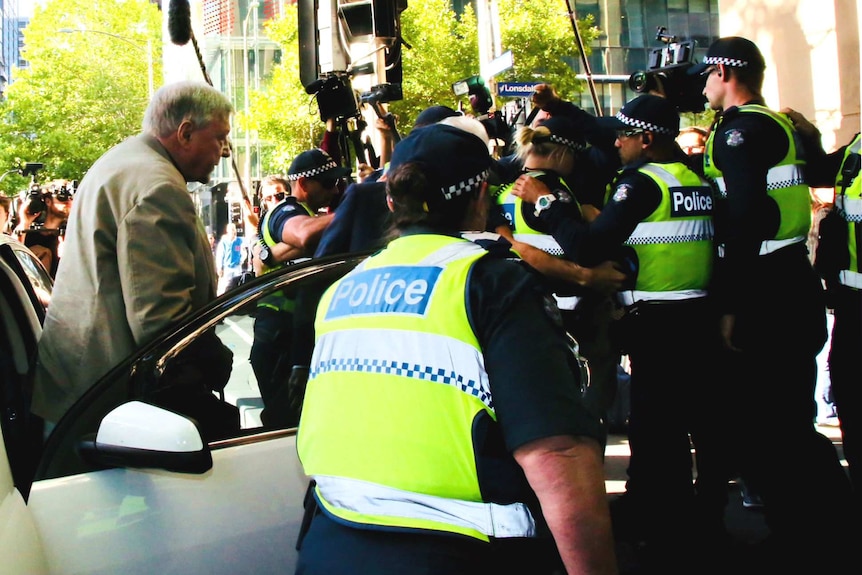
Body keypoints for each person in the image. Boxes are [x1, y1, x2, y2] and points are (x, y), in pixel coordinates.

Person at [295, 123, 617, 575]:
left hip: (331, 546)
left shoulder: (342, 290)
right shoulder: (493, 283)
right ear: (480, 194)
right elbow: (555, 453)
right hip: (459, 552)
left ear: (391, 200)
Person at [516, 95, 727, 569]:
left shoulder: (643, 183)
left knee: (657, 430)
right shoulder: (694, 177)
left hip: (659, 321)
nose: (616, 142)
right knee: (702, 424)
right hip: (698, 312)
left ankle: (663, 528)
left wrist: (545, 203)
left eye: (625, 135)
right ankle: (704, 520)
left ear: (647, 139)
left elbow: (588, 247)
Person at [689, 36, 857, 569]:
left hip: (766, 287)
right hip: (786, 281)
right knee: (781, 420)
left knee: (774, 424)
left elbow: (745, 221)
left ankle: (815, 534)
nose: (703, 86)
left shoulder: (742, 131)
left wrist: (731, 304)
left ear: (724, 72)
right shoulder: (774, 124)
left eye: (707, 76)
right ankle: (816, 529)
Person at [31, 81, 233, 426]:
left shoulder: (123, 162)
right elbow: (159, 321)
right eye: (219, 138)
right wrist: (209, 360)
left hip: (80, 387)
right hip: (111, 400)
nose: (225, 151)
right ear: (185, 133)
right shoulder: (159, 187)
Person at [785, 107, 861, 514]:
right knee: (850, 402)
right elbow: (818, 172)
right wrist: (808, 136)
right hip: (851, 303)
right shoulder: (856, 149)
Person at [249, 150, 347, 423]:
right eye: (327, 183)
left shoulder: (310, 214)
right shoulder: (286, 211)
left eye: (336, 183)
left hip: (291, 334)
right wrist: (353, 209)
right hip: (278, 334)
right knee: (285, 424)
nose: (334, 189)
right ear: (303, 184)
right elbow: (302, 234)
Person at [15, 181, 75, 277]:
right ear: (48, 201)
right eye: (62, 198)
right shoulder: (29, 234)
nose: (68, 202)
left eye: (71, 198)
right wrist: (24, 223)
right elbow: (13, 256)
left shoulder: (72, 234)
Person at [215, 222, 245, 294]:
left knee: (237, 285)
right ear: (228, 231)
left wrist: (241, 261)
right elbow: (220, 255)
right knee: (225, 286)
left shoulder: (239, 241)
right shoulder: (224, 242)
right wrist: (219, 268)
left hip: (237, 267)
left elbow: (243, 253)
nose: (233, 231)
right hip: (227, 268)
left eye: (234, 229)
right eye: (231, 229)